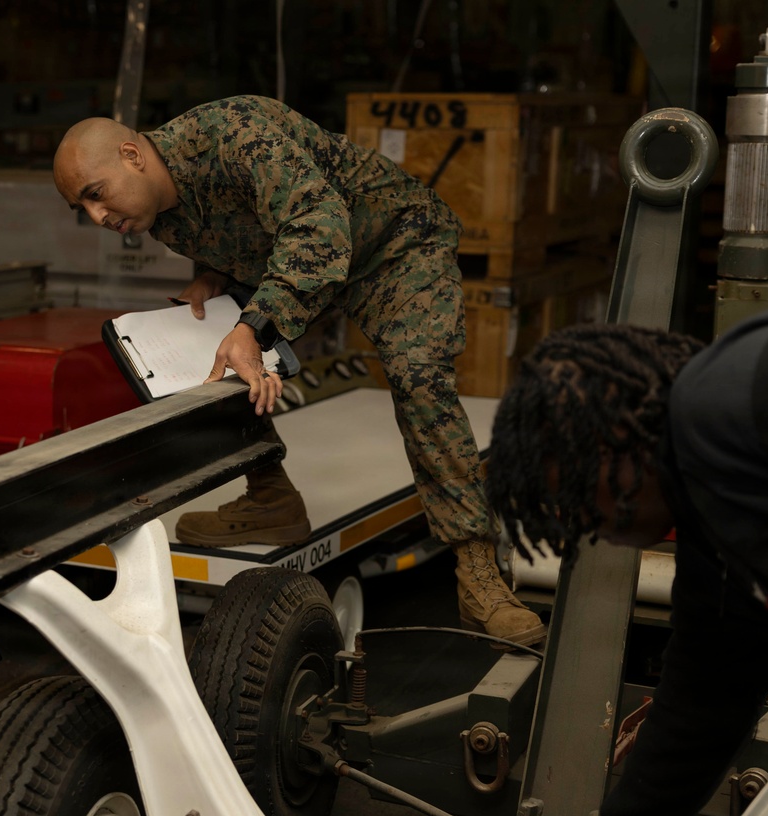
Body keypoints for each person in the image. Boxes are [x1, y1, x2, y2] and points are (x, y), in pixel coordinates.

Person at [52, 95, 546, 647]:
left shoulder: (235, 137)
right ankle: (271, 497)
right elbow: (243, 229)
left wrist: (254, 327)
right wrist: (212, 277)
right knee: (206, 349)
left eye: (96, 195)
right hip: (303, 259)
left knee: (418, 376)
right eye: (84, 209)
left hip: (392, 246)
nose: (99, 217)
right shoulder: (154, 211)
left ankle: (479, 575)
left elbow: (318, 227)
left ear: (131, 155)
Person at [486, 293, 768, 816]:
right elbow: (702, 706)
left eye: (575, 494)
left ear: (612, 444)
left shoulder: (763, 381)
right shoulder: (714, 528)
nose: (575, 524)